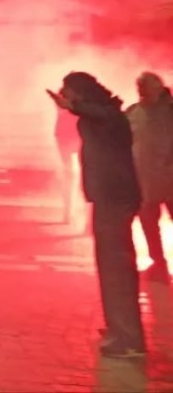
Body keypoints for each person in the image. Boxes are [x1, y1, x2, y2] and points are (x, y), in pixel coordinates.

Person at [48, 71, 145, 358]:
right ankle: (119, 328)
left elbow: (101, 116)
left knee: (116, 269)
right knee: (110, 267)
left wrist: (72, 107)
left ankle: (128, 338)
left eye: (69, 92)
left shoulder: (109, 116)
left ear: (81, 93)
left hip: (115, 198)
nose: (66, 97)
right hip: (108, 198)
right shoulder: (102, 114)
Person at [126, 71, 173, 283]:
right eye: (140, 88)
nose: (142, 92)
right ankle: (158, 264)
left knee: (151, 224)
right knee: (149, 225)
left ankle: (159, 264)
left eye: (146, 88)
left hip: (168, 179)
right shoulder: (134, 112)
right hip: (144, 181)